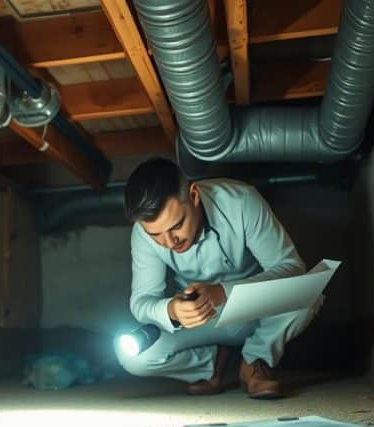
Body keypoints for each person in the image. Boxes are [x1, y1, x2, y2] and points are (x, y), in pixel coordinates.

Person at [115, 158, 322, 399]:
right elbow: (141, 302)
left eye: (177, 225)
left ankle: (254, 361)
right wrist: (171, 310)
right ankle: (212, 365)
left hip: (256, 311)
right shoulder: (142, 232)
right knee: (134, 358)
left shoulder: (241, 200)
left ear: (193, 195)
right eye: (156, 235)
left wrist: (224, 292)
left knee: (310, 294)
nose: (170, 242)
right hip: (201, 320)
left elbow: (291, 267)